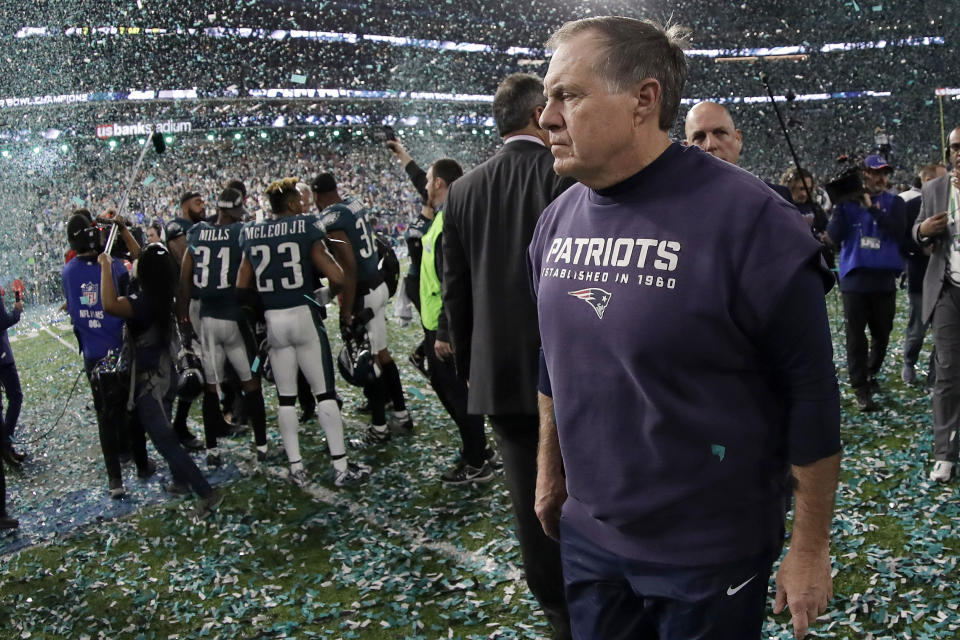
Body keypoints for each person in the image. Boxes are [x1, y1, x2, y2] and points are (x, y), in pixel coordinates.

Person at [530, 16, 841, 640]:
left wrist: (810, 548)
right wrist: (549, 465)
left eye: (568, 94)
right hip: (591, 535)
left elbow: (811, 391)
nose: (546, 116)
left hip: (709, 546)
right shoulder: (555, 221)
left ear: (645, 99)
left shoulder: (754, 223)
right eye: (547, 97)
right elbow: (553, 354)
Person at [441, 71, 575, 639]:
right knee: (587, 492)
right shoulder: (565, 175)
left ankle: (558, 615)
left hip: (498, 378)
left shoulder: (463, 190)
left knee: (532, 505)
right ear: (535, 113)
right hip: (567, 374)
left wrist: (474, 367)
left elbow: (456, 290)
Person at [237, 177, 369, 488]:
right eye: (299, 197)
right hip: (303, 315)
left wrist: (263, 310)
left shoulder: (252, 232)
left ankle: (296, 468)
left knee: (285, 398)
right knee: (324, 393)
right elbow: (337, 274)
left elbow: (242, 287)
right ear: (293, 204)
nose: (304, 201)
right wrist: (319, 296)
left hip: (273, 320)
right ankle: (340, 468)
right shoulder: (305, 226)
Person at [99, 243, 223, 519]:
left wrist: (106, 267)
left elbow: (108, 304)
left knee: (165, 441)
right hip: (167, 376)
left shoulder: (142, 303)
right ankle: (180, 483)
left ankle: (206, 493)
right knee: (166, 432)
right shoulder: (165, 296)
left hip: (150, 382)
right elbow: (151, 258)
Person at [312, 173, 413, 444]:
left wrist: (345, 310)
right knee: (382, 354)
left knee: (367, 360)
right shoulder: (353, 204)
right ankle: (402, 413)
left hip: (363, 293)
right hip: (377, 284)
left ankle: (379, 427)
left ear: (317, 196)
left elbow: (348, 265)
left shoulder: (331, 219)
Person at [63, 211, 155, 497]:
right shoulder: (114, 267)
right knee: (133, 409)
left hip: (92, 354)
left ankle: (115, 480)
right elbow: (132, 295)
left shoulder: (67, 272)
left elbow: (75, 311)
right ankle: (141, 465)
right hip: (120, 349)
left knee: (105, 417)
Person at [417, 158, 496, 485]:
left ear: (438, 183)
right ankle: (480, 452)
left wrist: (445, 331)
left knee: (455, 393)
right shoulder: (449, 213)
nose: (424, 185)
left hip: (443, 322)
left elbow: (455, 279)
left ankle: (477, 461)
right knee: (452, 389)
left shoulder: (449, 216)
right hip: (437, 319)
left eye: (428, 179)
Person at [179, 188, 268, 466]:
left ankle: (213, 449)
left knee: (210, 386)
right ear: (232, 211)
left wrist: (183, 318)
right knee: (251, 380)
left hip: (207, 321)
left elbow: (184, 278)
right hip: (234, 319)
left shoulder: (197, 233)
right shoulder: (242, 231)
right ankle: (262, 444)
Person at [826, 155, 907, 411]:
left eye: (885, 172)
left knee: (882, 333)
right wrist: (839, 207)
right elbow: (835, 237)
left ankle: (871, 372)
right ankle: (860, 387)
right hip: (855, 280)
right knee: (855, 337)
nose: (882, 177)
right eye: (876, 172)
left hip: (884, 280)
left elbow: (898, 230)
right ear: (865, 174)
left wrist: (871, 208)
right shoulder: (847, 205)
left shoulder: (895, 202)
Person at [913, 126, 960, 482]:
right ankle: (945, 454)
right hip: (947, 290)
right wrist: (924, 229)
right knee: (946, 372)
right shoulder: (935, 189)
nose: (958, 152)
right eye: (954, 147)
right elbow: (915, 232)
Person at [683, 100, 794, 203]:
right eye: (699, 137)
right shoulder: (671, 205)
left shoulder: (777, 199)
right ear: (687, 149)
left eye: (720, 133)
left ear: (738, 139)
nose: (711, 144)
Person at [164, 191, 207, 450]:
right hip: (186, 303)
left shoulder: (200, 227)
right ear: (184, 206)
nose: (203, 206)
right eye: (197, 202)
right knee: (189, 367)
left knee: (207, 365)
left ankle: (216, 419)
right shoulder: (177, 227)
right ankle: (176, 426)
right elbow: (184, 263)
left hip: (201, 302)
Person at [900, 163, 947, 385]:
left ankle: (934, 375)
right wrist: (921, 245)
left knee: (943, 335)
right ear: (928, 181)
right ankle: (909, 362)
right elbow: (903, 240)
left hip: (947, 281)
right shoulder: (912, 206)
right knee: (917, 330)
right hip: (920, 278)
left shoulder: (952, 204)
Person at [0, 282, 24, 469]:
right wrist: (17, 309)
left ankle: (6, 448)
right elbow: (3, 321)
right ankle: (5, 444)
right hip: (2, 357)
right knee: (15, 396)